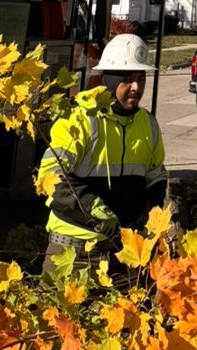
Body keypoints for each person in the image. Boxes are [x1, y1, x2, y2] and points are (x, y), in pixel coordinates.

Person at [39, 31, 167, 274]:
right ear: (108, 79)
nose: (136, 88)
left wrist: (156, 211)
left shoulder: (148, 124)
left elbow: (155, 175)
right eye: (127, 79)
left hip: (124, 253)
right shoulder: (80, 119)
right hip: (73, 252)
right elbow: (49, 176)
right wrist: (90, 207)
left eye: (141, 79)